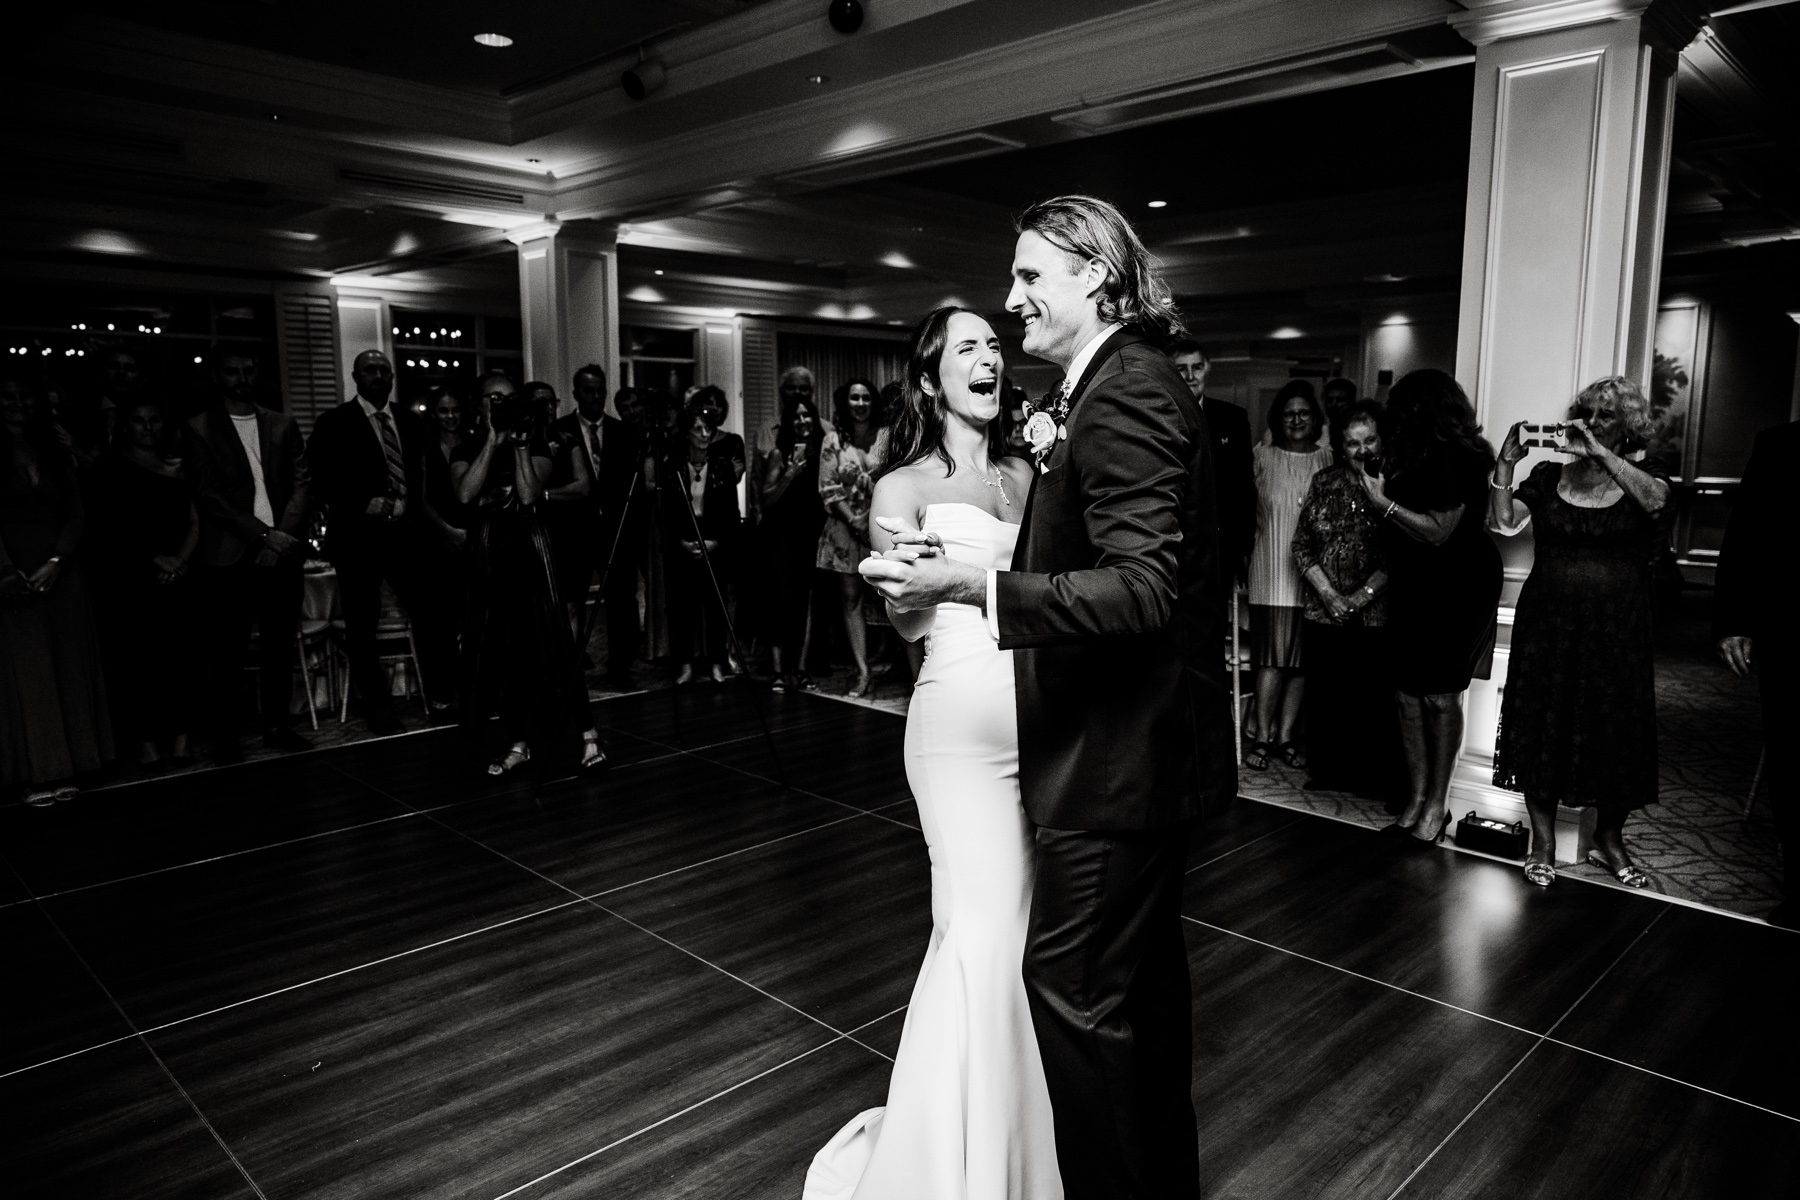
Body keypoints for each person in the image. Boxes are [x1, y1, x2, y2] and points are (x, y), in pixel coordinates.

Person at [862, 195, 1235, 1199]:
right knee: (1138, 1000)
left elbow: (1144, 589)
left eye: (1031, 277)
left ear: (1096, 277)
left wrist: (971, 586)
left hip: (1115, 759)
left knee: (1077, 996)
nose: (1012, 295)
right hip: (1123, 749)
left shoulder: (1122, 392)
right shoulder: (1119, 385)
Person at [807, 306, 1049, 1199]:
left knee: (1019, 943)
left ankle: (1014, 1150)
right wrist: (899, 580)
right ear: (932, 379)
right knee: (978, 936)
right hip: (957, 733)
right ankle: (950, 1168)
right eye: (969, 348)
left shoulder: (1032, 475)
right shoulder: (901, 489)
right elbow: (908, 620)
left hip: (1043, 724)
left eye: (996, 344)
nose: (989, 357)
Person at [1489, 377, 1671, 888]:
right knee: (1543, 721)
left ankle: (1608, 838)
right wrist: (1506, 464)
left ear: (1628, 427)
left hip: (1617, 630)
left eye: (1605, 416)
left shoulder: (1645, 475)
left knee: (1616, 730)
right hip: (1548, 624)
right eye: (1585, 412)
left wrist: (1602, 455)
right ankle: (1542, 841)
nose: (1590, 421)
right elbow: (1502, 523)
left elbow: (1656, 503)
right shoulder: (1549, 476)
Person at [1359, 368, 1503, 845]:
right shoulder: (1409, 454)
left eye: (1401, 408)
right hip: (1415, 583)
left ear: (1421, 409)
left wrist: (1382, 503)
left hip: (1459, 585)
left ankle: (1437, 806)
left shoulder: (1461, 456)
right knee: (1405, 694)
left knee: (1440, 696)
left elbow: (1439, 531)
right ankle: (1417, 800)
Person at [452, 372, 607, 776]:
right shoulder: (466, 445)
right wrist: (491, 441)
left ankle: (589, 735)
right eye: (493, 399)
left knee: (558, 645)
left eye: (508, 399)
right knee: (499, 653)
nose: (500, 405)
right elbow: (466, 494)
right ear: (479, 403)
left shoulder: (536, 441)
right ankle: (519, 742)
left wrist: (519, 444)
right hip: (488, 552)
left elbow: (527, 495)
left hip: (530, 549)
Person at [306, 349, 456, 733]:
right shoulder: (334, 422)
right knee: (362, 625)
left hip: (405, 536)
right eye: (370, 370)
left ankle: (443, 695)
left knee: (431, 613)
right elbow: (319, 479)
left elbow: (425, 475)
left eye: (384, 370)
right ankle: (378, 707)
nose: (378, 376)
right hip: (358, 539)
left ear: (392, 378)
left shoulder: (409, 420)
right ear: (355, 377)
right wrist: (362, 502)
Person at [186, 354, 314, 761]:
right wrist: (263, 536)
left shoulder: (282, 423)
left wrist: (282, 538)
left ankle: (278, 726)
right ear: (217, 376)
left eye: (249, 369)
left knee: (280, 645)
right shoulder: (198, 428)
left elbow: (302, 483)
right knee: (227, 651)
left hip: (283, 551)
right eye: (232, 370)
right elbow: (209, 497)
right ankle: (227, 736)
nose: (242, 377)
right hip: (230, 553)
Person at [0, 373, 113, 805]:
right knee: (27, 673)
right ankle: (34, 772)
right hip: (11, 573)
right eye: (8, 396)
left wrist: (57, 562)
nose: (17, 403)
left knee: (67, 664)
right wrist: (6, 572)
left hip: (59, 568)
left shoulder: (55, 449)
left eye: (25, 397)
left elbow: (76, 512)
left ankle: (73, 765)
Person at [1291, 401, 1404, 799]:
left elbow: (1401, 553)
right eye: (1353, 442)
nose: (1363, 450)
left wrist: (1359, 597)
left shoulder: (1396, 483)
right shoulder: (1324, 481)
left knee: (1370, 700)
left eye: (1369, 439)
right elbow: (1301, 546)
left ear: (1382, 439)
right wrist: (1328, 595)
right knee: (1327, 697)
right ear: (1341, 445)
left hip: (1375, 615)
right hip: (1323, 612)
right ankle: (1328, 771)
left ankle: (1371, 776)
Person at [1715, 415, 1800, 929]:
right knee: (1791, 763)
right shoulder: (1780, 445)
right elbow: (1745, 534)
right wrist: (1734, 621)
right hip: (1790, 634)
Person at [89, 397, 200, 768]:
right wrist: (157, 558)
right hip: (131, 577)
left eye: (155, 420)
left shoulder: (181, 466)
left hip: (179, 575)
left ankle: (183, 739)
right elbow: (109, 527)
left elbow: (195, 520)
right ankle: (147, 742)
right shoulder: (107, 469)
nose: (148, 427)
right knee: (137, 662)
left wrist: (180, 560)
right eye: (139, 421)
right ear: (124, 426)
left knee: (182, 658)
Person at [1244, 380, 1333, 770]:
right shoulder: (1260, 458)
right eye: (1289, 413)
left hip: (1316, 579)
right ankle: (1262, 737)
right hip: (1270, 570)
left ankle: (1286, 736)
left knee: (1301, 662)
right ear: (1278, 419)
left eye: (1304, 413)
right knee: (1271, 660)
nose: (1297, 420)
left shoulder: (1329, 459)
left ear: (1315, 418)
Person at [754, 368, 828, 692]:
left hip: (810, 535)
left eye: (807, 416)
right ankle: (777, 671)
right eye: (796, 417)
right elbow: (766, 497)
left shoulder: (823, 453)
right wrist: (788, 475)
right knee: (778, 601)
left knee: (806, 604)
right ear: (788, 422)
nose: (802, 421)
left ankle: (800, 669)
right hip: (779, 536)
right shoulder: (777, 453)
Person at [818, 377, 891, 696]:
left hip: (882, 525)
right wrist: (854, 520)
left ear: (873, 402)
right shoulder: (833, 440)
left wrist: (868, 518)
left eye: (865, 398)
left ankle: (908, 668)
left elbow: (896, 479)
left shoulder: (886, 437)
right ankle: (863, 672)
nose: (860, 404)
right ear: (844, 404)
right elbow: (828, 488)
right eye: (854, 398)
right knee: (851, 601)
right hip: (845, 531)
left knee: (894, 597)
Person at [660, 402, 741, 685]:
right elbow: (665, 515)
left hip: (713, 542)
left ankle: (718, 661)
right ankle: (684, 663)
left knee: (716, 607)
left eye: (708, 428)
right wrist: (681, 543)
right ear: (686, 433)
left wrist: (715, 542)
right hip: (683, 542)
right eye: (698, 429)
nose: (705, 434)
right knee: (682, 608)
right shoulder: (671, 468)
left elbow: (731, 514)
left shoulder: (722, 467)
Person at [1169, 338, 1254, 585]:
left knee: (1216, 621)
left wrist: (1244, 546)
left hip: (1221, 545)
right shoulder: (1156, 418)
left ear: (1207, 368)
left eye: (1196, 367)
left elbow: (1244, 487)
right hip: (1172, 546)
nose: (1190, 376)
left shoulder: (1233, 419)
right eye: (1181, 369)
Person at [587, 380, 652, 688]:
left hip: (628, 523)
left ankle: (623, 664)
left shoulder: (624, 433)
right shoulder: (568, 429)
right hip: (586, 525)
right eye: (623, 407)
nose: (629, 412)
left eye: (634, 405)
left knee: (625, 598)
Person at [537, 379, 597, 635]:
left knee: (573, 601)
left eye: (553, 402)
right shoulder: (518, 442)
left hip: (569, 531)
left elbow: (583, 486)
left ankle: (572, 660)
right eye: (542, 402)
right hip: (534, 534)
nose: (549, 408)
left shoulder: (566, 438)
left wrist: (545, 495)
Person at [1320, 377, 1359, 443]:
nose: (1334, 404)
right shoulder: (1318, 435)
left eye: (1340, 400)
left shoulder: (1362, 432)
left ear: (1352, 402)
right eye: (1329, 400)